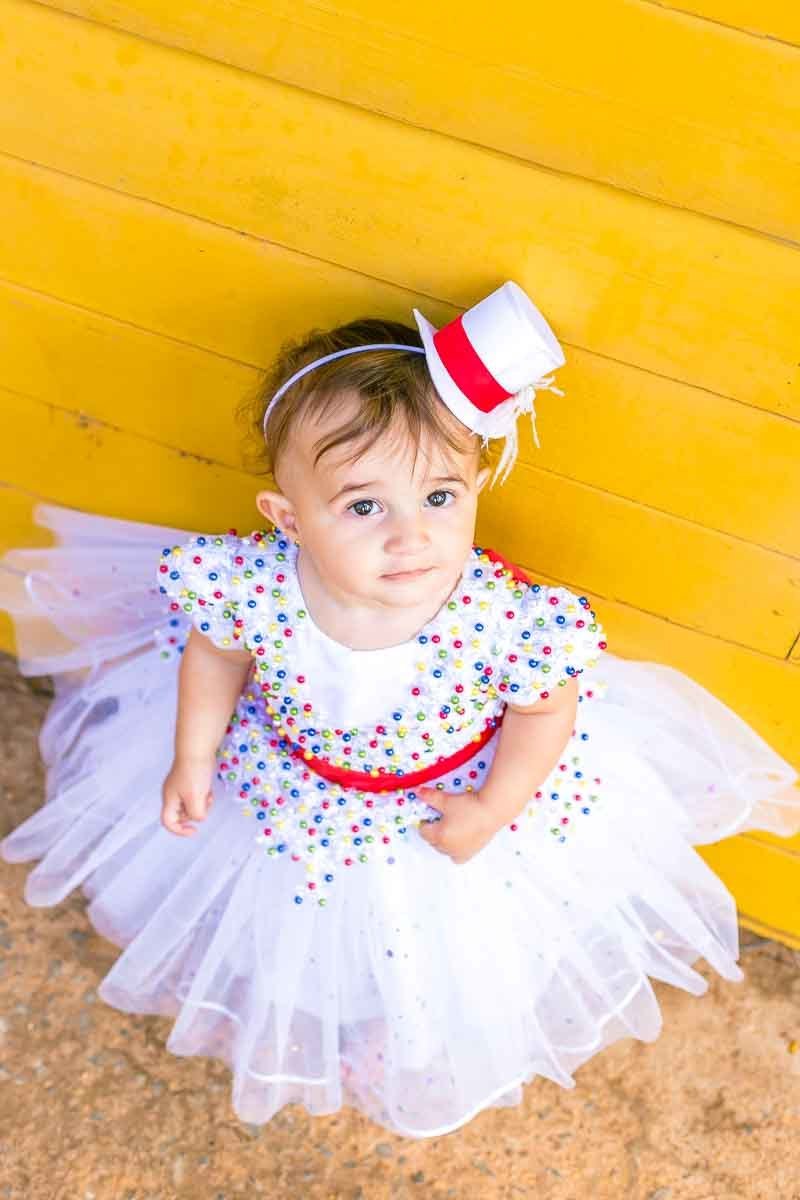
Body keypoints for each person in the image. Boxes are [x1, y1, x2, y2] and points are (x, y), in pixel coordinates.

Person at [1, 282, 798, 1140]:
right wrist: (194, 755)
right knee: (299, 919)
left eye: (440, 497)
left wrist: (495, 808)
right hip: (294, 783)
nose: (410, 536)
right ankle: (309, 1008)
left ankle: (398, 1029)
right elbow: (217, 653)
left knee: (431, 940)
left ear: (476, 486)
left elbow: (545, 712)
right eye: (364, 506)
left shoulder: (504, 619)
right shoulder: (255, 584)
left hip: (442, 798)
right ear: (290, 518)